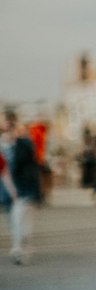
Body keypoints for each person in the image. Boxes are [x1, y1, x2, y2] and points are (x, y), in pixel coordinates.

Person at [1, 112, 41, 263]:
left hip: (25, 189)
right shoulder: (4, 145)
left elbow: (31, 167)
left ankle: (21, 247)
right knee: (13, 218)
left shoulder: (24, 145)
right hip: (10, 188)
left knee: (21, 219)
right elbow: (3, 171)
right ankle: (19, 247)